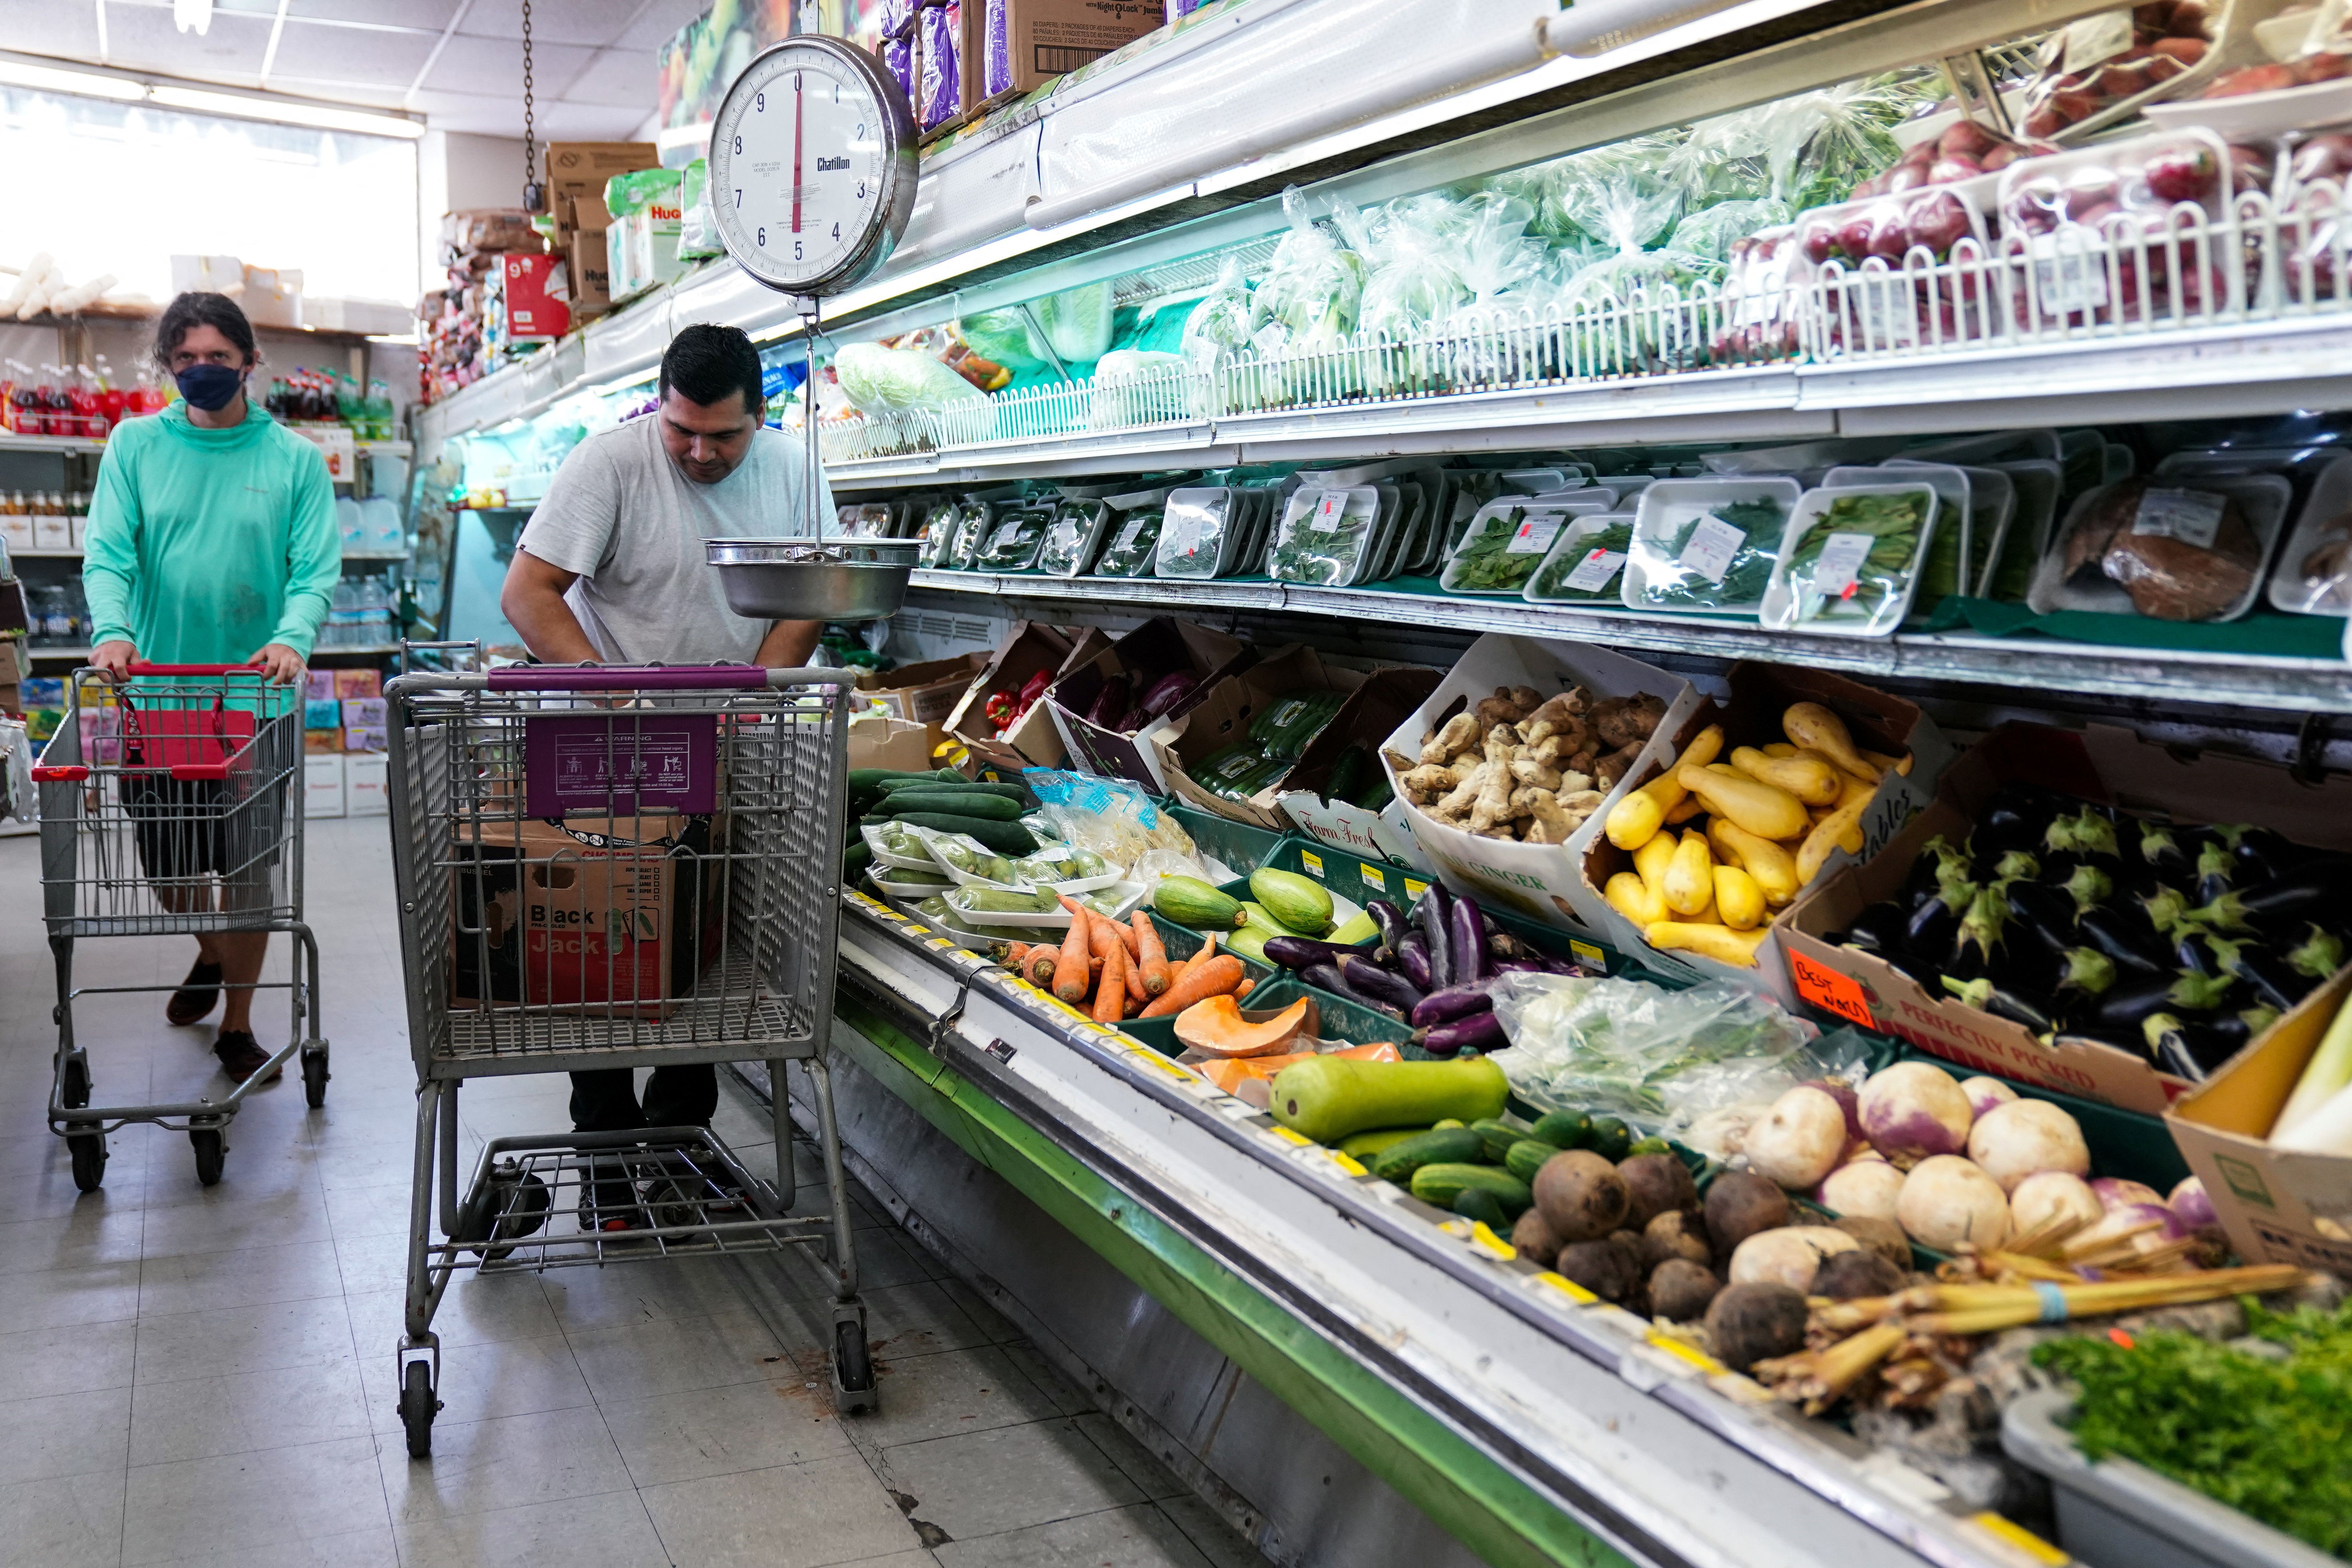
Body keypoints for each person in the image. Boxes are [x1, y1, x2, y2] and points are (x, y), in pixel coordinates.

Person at [501, 321, 830, 1229]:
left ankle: (676, 1143)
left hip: (730, 743)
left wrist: (747, 704)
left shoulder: (796, 472)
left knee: (705, 952)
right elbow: (528, 594)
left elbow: (809, 603)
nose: (697, 450)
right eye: (682, 427)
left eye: (722, 435)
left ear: (759, 417)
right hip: (607, 746)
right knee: (604, 955)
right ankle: (607, 1163)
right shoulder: (608, 464)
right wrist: (618, 698)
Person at [82, 290, 340, 1084]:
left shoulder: (294, 460)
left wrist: (292, 639)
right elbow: (109, 555)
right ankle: (213, 951)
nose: (201, 372)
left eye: (218, 359)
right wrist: (112, 629)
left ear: (249, 363)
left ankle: (237, 1021)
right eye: (186, 359)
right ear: (169, 366)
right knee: (167, 874)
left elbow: (315, 570)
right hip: (158, 696)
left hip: (252, 701)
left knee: (249, 869)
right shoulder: (135, 446)